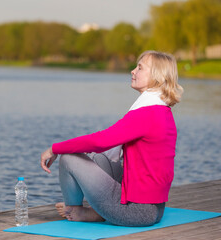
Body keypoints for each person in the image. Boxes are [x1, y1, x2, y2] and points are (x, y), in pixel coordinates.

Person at [40, 50, 184, 227]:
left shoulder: (147, 114)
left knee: (69, 158)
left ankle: (75, 210)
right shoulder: (161, 110)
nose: (133, 71)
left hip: (137, 212)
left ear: (157, 76)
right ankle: (98, 213)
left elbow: (99, 142)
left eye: (140, 68)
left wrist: (55, 148)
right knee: (100, 159)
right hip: (154, 210)